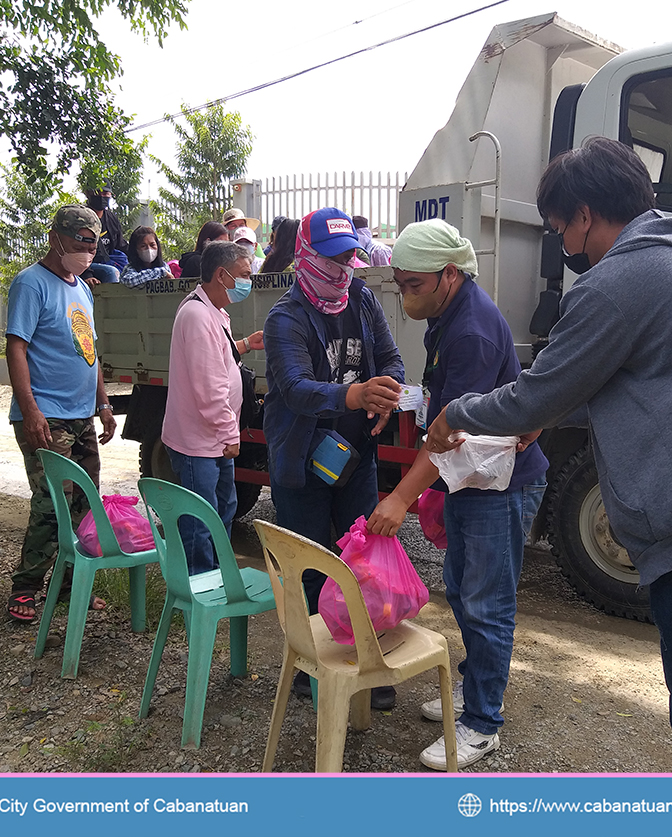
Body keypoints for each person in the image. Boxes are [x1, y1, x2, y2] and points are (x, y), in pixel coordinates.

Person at [425, 137, 672, 773]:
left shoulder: (622, 279)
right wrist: (552, 414)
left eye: (561, 228)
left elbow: (536, 393)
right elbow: (651, 376)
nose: (566, 246)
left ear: (584, 214)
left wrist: (456, 414)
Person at [366, 219, 548, 770]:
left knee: (487, 603)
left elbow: (445, 438)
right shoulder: (446, 315)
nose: (404, 295)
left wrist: (398, 498)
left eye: (413, 284)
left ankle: (482, 723)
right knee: (463, 589)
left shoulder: (469, 330)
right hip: (474, 476)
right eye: (398, 284)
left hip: (502, 483)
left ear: (449, 275)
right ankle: (475, 688)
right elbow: (445, 415)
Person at [262, 207, 404, 709]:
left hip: (356, 454)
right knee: (312, 563)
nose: (343, 266)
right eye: (332, 257)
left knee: (363, 560)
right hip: (302, 459)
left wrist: (385, 394)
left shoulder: (362, 298)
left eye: (349, 256)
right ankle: (312, 667)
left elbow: (390, 359)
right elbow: (297, 390)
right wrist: (355, 395)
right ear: (305, 256)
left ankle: (368, 662)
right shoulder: (285, 317)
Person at [4, 205, 118, 622]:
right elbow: (15, 347)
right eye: (80, 242)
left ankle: (71, 585)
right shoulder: (30, 284)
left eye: (93, 243)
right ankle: (25, 588)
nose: (88, 250)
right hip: (45, 413)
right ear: (57, 238)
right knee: (53, 504)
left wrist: (102, 403)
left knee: (85, 506)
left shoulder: (82, 288)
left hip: (80, 414)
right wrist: (30, 410)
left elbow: (90, 349)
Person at [160, 241, 263, 574]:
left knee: (224, 508)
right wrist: (229, 433)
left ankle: (218, 575)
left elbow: (216, 358)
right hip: (200, 443)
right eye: (245, 275)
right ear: (222, 275)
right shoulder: (196, 315)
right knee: (201, 518)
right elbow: (209, 387)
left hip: (213, 440)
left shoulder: (214, 312)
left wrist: (244, 345)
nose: (249, 281)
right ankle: (197, 587)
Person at [83, 185, 129, 283]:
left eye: (105, 193)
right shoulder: (81, 218)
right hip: (86, 264)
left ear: (111, 195)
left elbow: (121, 245)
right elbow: (77, 250)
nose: (101, 196)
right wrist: (87, 274)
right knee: (111, 272)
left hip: (108, 261)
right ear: (87, 194)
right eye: (96, 193)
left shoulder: (111, 218)